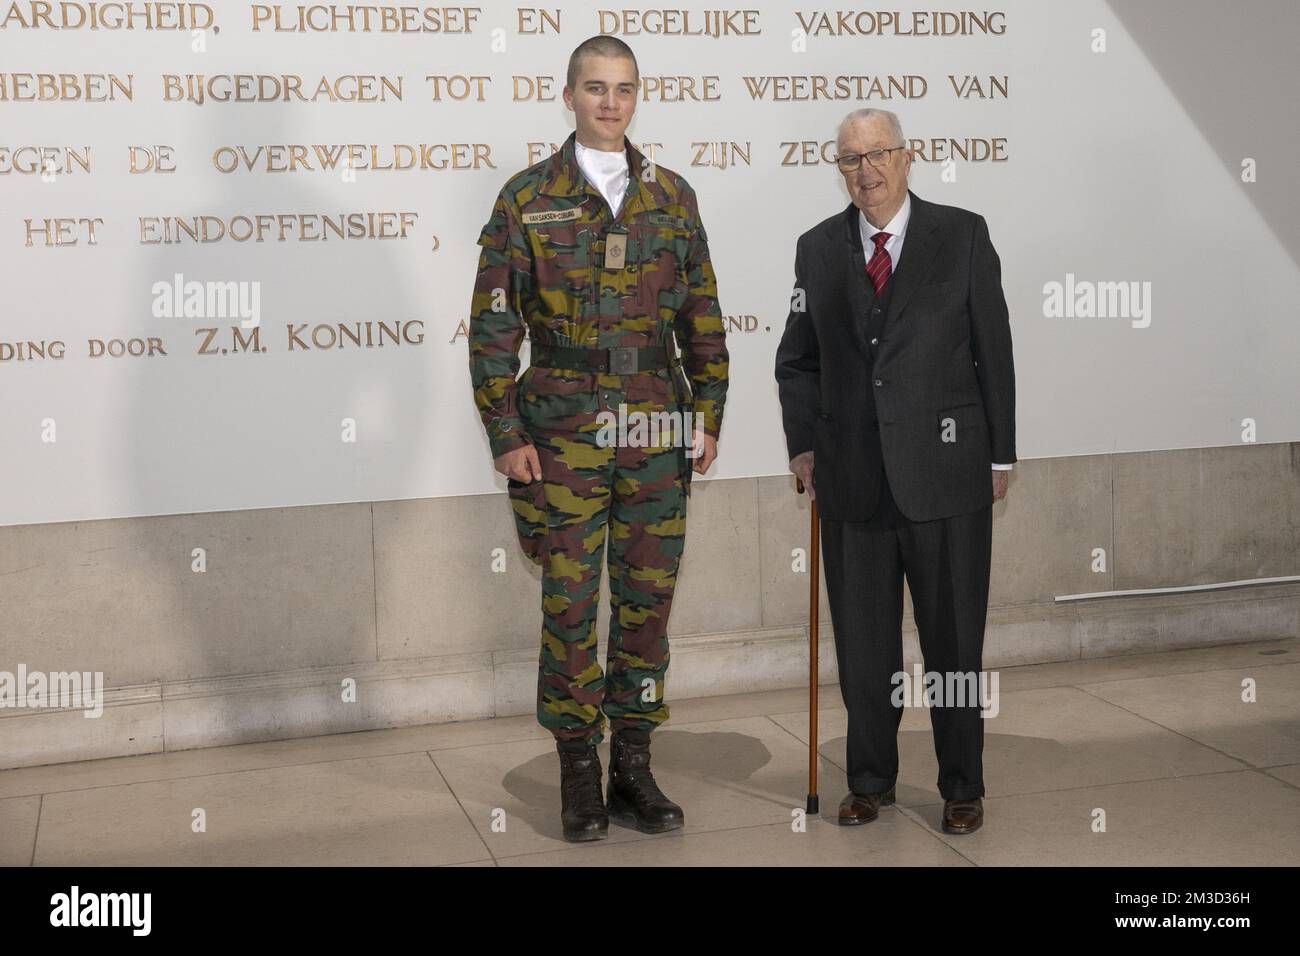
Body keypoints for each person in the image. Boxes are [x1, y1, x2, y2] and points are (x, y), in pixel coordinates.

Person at [468, 35, 728, 842]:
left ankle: (636, 765)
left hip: (655, 428)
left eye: (622, 89)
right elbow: (491, 329)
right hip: (561, 436)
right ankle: (579, 769)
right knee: (572, 606)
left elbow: (704, 321)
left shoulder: (672, 197)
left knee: (647, 606)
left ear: (637, 96)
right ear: (570, 95)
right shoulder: (527, 198)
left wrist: (708, 416)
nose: (610, 102)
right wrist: (505, 433)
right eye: (594, 88)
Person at [774, 107, 1015, 835]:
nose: (866, 169)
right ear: (839, 169)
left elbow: (993, 349)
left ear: (908, 159)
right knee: (865, 646)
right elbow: (797, 359)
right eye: (850, 159)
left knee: (952, 643)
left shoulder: (962, 235)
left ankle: (962, 784)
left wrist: (1000, 452)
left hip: (948, 477)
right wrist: (803, 443)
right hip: (852, 483)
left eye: (879, 154)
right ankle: (870, 780)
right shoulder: (816, 249)